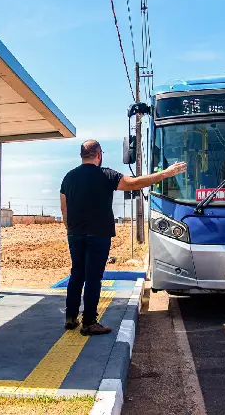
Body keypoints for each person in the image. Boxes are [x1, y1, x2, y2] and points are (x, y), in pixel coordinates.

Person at [60, 140, 187, 336]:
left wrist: (71, 230)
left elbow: (64, 208)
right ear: (99, 155)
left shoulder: (68, 177)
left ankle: (70, 318)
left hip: (75, 235)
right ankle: (89, 322)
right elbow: (135, 183)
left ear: (81, 155)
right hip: (98, 235)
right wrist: (166, 173)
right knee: (93, 276)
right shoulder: (106, 175)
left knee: (77, 274)